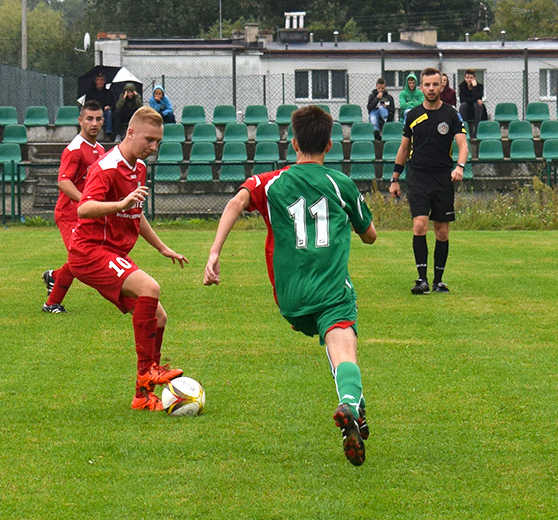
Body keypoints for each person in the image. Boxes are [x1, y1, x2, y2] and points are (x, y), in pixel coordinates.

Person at [203, 105, 377, 466]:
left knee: (334, 347)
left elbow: (236, 201)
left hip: (291, 299)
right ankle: (350, 401)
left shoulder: (271, 183)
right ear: (330, 145)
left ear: (293, 143)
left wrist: (214, 253)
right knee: (344, 349)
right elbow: (370, 235)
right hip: (331, 292)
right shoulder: (340, 184)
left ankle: (355, 409)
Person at [67, 106, 188, 411]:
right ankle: (149, 369)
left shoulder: (139, 167)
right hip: (89, 251)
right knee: (150, 288)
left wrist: (162, 248)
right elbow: (84, 208)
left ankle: (142, 394)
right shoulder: (107, 167)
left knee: (159, 316)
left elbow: (134, 212)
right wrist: (120, 201)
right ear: (130, 132)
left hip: (110, 252)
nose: (153, 147)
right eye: (149, 139)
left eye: (158, 142)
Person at [389, 67, 468, 295]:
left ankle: (438, 281)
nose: (431, 89)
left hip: (442, 178)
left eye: (435, 84)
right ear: (421, 87)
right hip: (418, 177)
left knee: (442, 231)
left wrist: (460, 167)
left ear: (442, 86)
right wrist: (395, 178)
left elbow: (463, 145)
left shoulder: (451, 114)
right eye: (427, 85)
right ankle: (422, 280)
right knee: (419, 224)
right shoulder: (412, 115)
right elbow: (404, 149)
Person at [41, 100, 105, 314]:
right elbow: (63, 181)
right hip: (69, 213)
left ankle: (54, 277)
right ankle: (51, 303)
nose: (94, 123)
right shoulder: (74, 149)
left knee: (84, 257)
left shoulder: (100, 149)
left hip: (84, 213)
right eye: (89, 119)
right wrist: (84, 200)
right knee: (80, 258)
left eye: (98, 119)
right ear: (80, 121)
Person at [84, 73, 117, 141]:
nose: (100, 82)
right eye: (98, 80)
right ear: (96, 81)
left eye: (102, 80)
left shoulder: (109, 92)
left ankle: (108, 134)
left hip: (105, 113)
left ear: (104, 81)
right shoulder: (90, 93)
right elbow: (86, 105)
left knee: (109, 112)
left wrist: (109, 107)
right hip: (93, 113)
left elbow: (114, 105)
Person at [458, 69, 487, 138]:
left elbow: (477, 96)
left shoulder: (479, 87)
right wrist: (475, 100)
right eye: (467, 78)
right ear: (465, 78)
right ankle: (464, 130)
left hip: (477, 110)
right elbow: (462, 100)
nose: (469, 80)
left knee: (477, 105)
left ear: (474, 78)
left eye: (471, 78)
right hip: (467, 109)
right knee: (463, 105)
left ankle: (476, 131)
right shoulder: (462, 86)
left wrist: (474, 87)